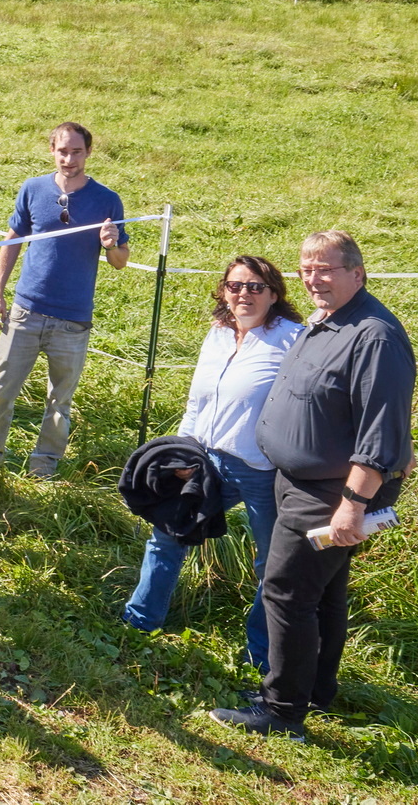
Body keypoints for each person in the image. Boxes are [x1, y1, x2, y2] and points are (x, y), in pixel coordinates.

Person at [211, 231, 416, 739]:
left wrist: (352, 504)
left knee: (286, 592)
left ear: (357, 274)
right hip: (296, 481)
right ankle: (315, 691)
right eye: (307, 269)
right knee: (323, 595)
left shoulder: (375, 336)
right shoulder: (327, 322)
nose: (314, 279)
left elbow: (379, 430)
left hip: (330, 492)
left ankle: (281, 712)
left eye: (326, 269)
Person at [124, 256, 303, 674]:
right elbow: (196, 400)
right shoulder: (218, 335)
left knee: (271, 563)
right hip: (204, 460)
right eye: (236, 286)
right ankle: (138, 623)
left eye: (256, 287)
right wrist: (184, 452)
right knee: (167, 534)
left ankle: (259, 658)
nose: (245, 294)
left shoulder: (293, 340)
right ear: (223, 291)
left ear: (274, 294)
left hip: (261, 468)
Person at [0, 122, 129, 479]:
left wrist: (111, 242)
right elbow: (12, 241)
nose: (69, 159)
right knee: (1, 388)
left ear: (89, 153)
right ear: (52, 150)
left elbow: (120, 261)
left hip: (73, 320)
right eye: (63, 151)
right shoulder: (33, 189)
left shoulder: (107, 200)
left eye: (77, 152)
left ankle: (44, 466)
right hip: (26, 310)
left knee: (59, 400)